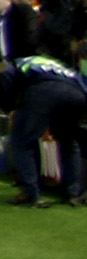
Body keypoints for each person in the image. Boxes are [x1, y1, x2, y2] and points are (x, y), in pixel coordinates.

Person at [9, 26, 85, 207]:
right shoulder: (61, 66)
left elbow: (7, 74)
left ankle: (31, 194)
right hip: (77, 94)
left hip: (43, 92)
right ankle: (74, 192)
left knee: (22, 141)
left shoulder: (23, 61)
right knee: (69, 141)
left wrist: (12, 104)